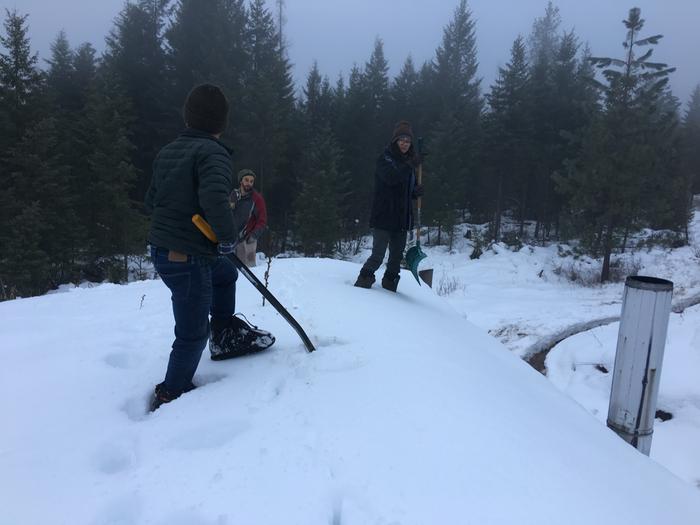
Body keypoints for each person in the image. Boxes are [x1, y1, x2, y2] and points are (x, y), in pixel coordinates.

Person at [144, 83, 274, 412]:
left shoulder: (168, 151)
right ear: (220, 123)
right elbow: (215, 200)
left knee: (225, 272)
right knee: (191, 334)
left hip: (165, 250)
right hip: (186, 257)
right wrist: (227, 236)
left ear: (189, 118)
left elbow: (151, 200)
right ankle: (171, 393)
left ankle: (223, 332)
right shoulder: (212, 152)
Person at [354, 120, 424, 292]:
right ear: (395, 141)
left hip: (402, 218)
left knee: (396, 258)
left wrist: (415, 191)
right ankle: (361, 286)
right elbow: (391, 178)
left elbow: (404, 189)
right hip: (384, 215)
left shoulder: (410, 164)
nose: (405, 144)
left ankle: (390, 287)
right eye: (401, 140)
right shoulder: (385, 158)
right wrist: (410, 166)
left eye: (407, 141)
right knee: (377, 256)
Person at [230, 168, 267, 267]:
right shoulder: (234, 195)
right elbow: (226, 215)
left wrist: (254, 235)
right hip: (231, 239)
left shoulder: (257, 198)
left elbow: (262, 221)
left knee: (247, 271)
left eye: (251, 181)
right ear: (241, 180)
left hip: (247, 240)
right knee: (230, 270)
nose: (249, 183)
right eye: (246, 180)